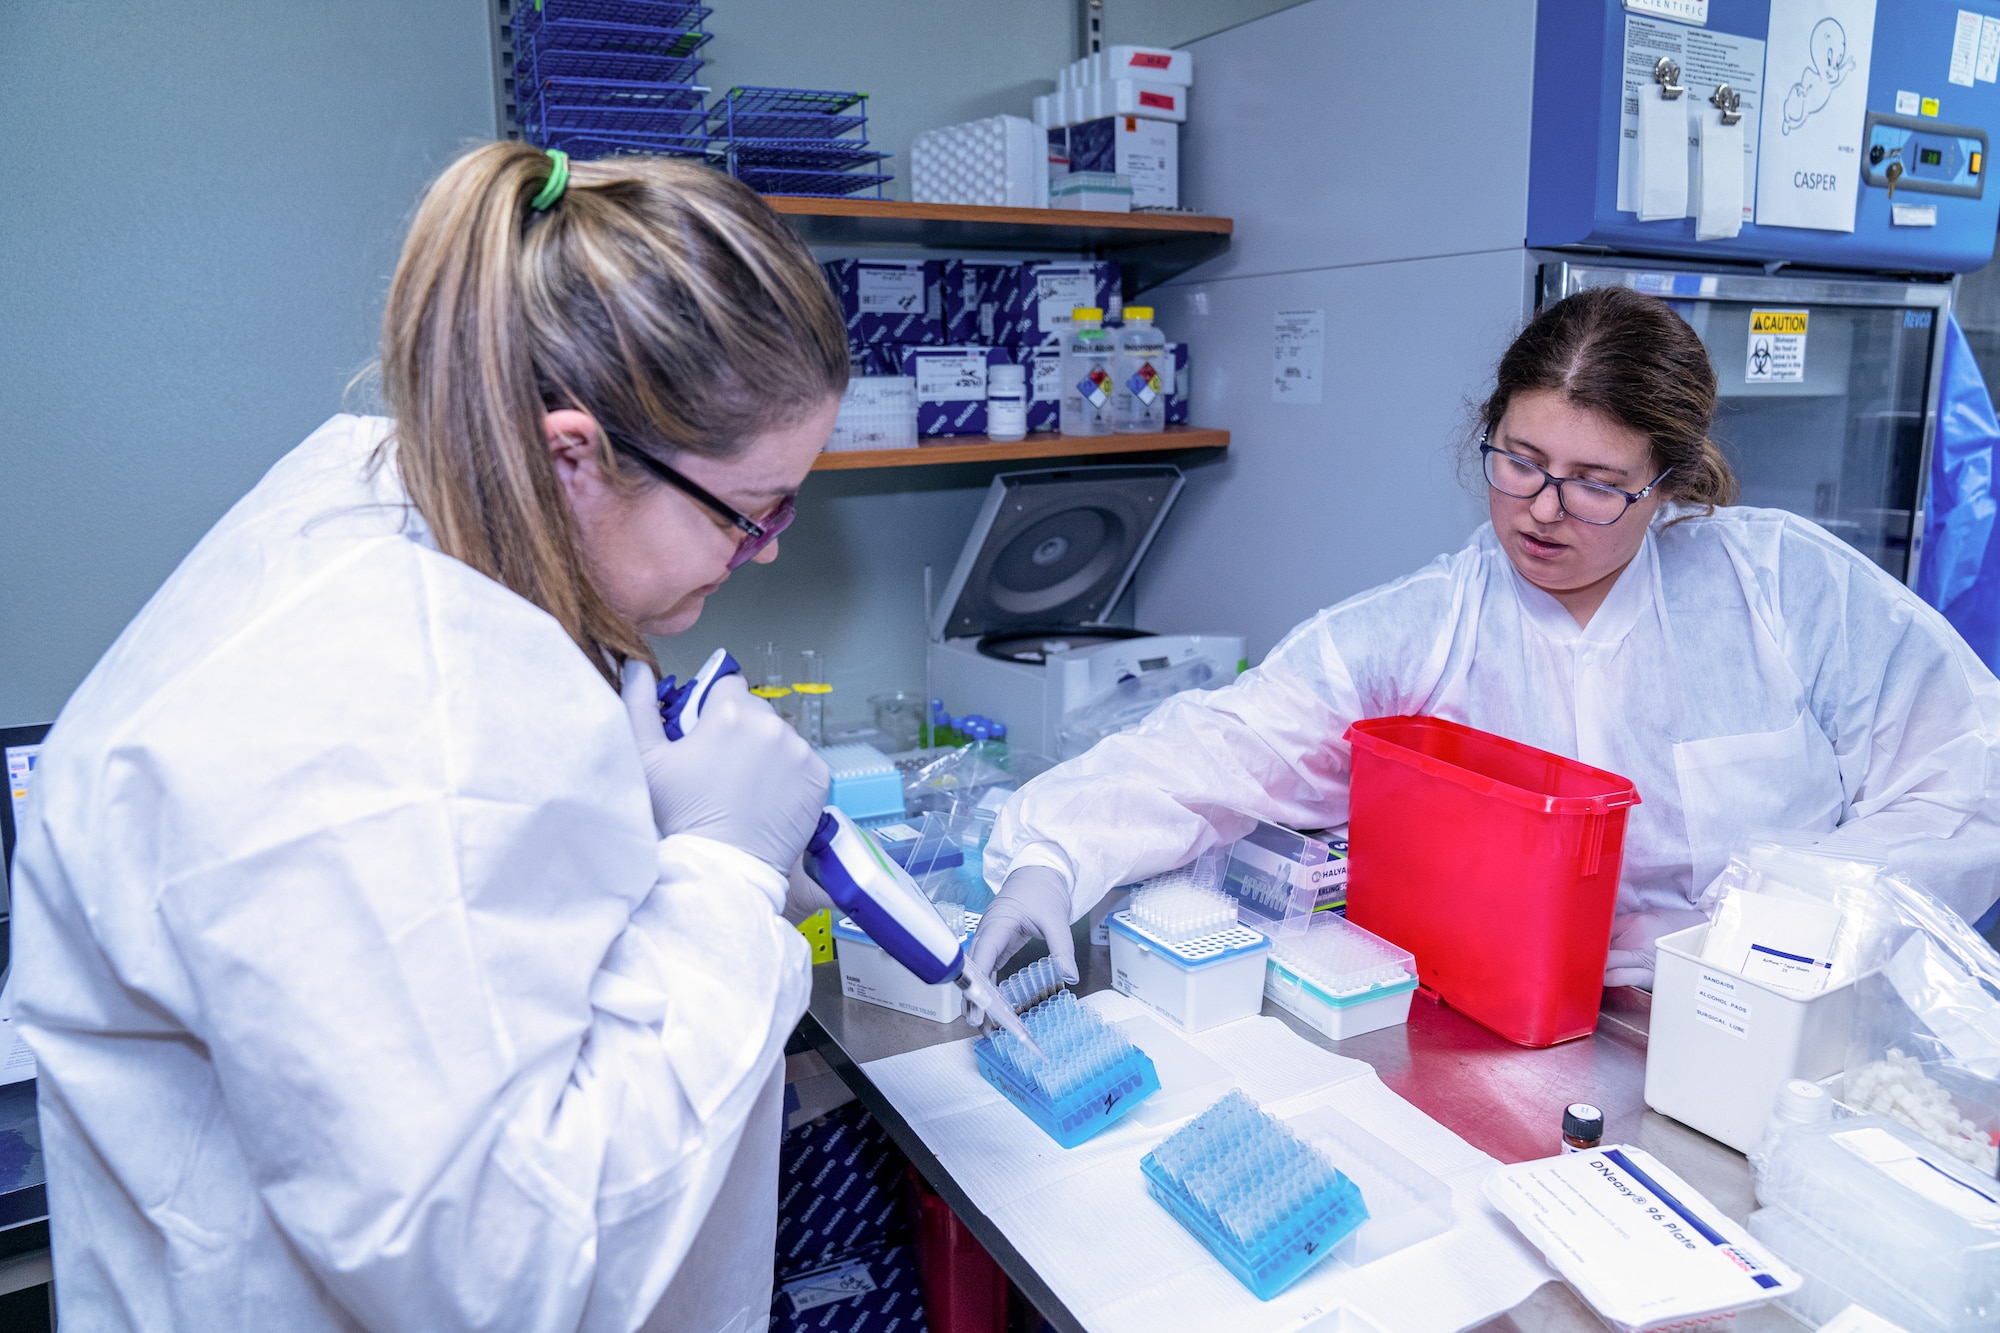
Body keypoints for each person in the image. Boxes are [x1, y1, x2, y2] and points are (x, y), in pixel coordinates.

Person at [4, 143, 847, 1331]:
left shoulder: (417, 495)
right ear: (571, 456)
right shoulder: (364, 722)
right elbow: (493, 1271)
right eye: (751, 513)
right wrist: (718, 874)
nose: (765, 551)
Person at [969, 285, 2000, 994]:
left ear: (1671, 484)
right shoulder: (1417, 634)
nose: (1543, 510)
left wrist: (1792, 905)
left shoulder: (1780, 586)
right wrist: (1050, 858)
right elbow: (1220, 750)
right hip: (1528, 1044)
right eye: (1519, 460)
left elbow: (1966, 770)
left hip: (1782, 1037)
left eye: (1597, 483)